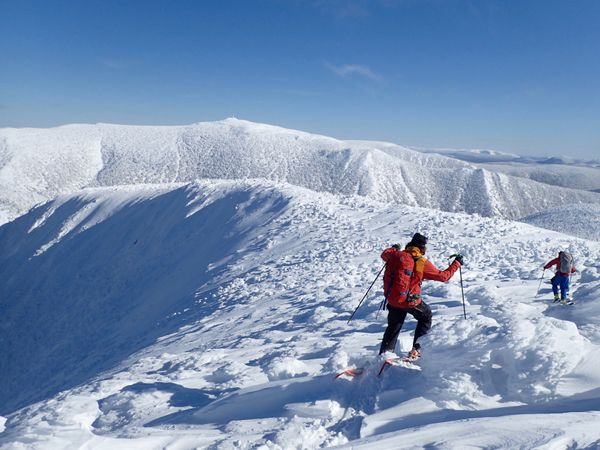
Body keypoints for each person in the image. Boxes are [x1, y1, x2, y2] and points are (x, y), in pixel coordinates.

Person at [379, 232, 462, 360]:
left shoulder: (394, 255)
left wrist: (394, 248)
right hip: (410, 301)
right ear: (422, 248)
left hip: (394, 299)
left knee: (394, 325)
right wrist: (456, 263)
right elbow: (443, 276)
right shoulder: (422, 262)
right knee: (426, 316)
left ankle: (385, 354)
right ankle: (416, 350)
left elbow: (384, 253)